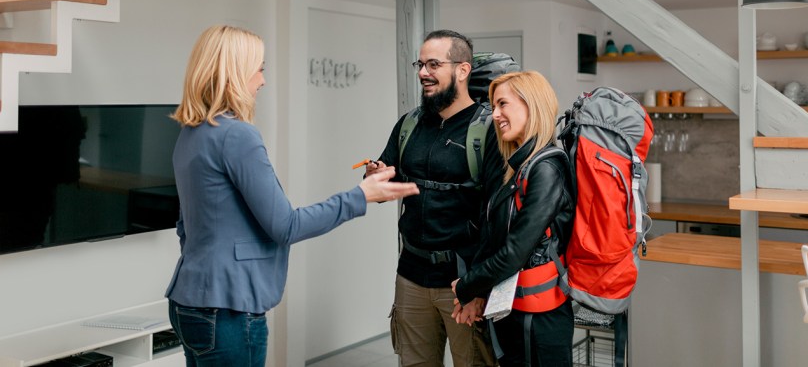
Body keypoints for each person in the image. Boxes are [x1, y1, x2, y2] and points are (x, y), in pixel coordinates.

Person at [165, 25, 418, 366]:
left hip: (189, 301)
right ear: (235, 73)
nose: (262, 80)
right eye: (259, 69)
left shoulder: (191, 133)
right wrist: (361, 195)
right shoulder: (238, 136)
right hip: (229, 310)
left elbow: (186, 224)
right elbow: (286, 225)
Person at [365, 30, 502, 367]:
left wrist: (480, 287)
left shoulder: (488, 131)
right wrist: (375, 179)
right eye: (420, 64)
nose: (423, 73)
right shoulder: (409, 124)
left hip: (463, 282)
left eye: (433, 64)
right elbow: (385, 187)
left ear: (462, 70)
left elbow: (499, 219)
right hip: (410, 274)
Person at [451, 71, 575, 367]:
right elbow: (494, 237)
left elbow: (514, 252)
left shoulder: (547, 169)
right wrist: (475, 294)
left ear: (531, 105)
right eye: (494, 106)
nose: (495, 115)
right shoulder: (518, 168)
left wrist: (466, 286)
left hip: (541, 321)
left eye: (502, 104)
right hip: (515, 313)